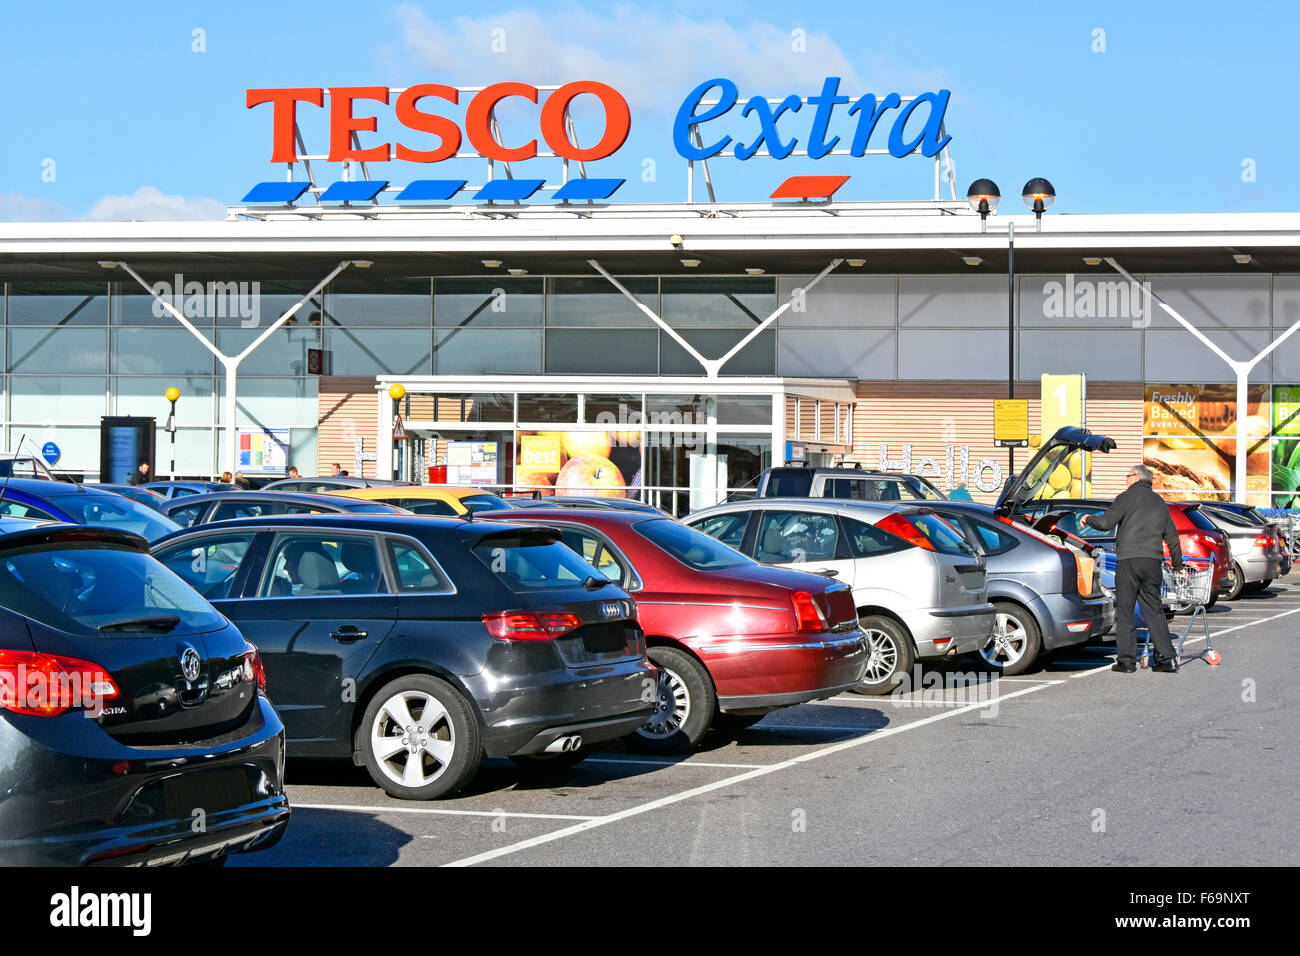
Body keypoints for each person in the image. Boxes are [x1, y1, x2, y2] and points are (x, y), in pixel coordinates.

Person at [1081, 464, 1186, 673]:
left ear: (1136, 478)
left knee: (1126, 610)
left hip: (1129, 561)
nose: (1125, 480)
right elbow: (1172, 538)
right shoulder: (1160, 503)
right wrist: (1178, 565)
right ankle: (1167, 659)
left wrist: (1088, 519)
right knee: (1154, 611)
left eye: (1127, 476)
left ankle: (1127, 662)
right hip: (1152, 562)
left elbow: (1106, 523)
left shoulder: (1126, 498)